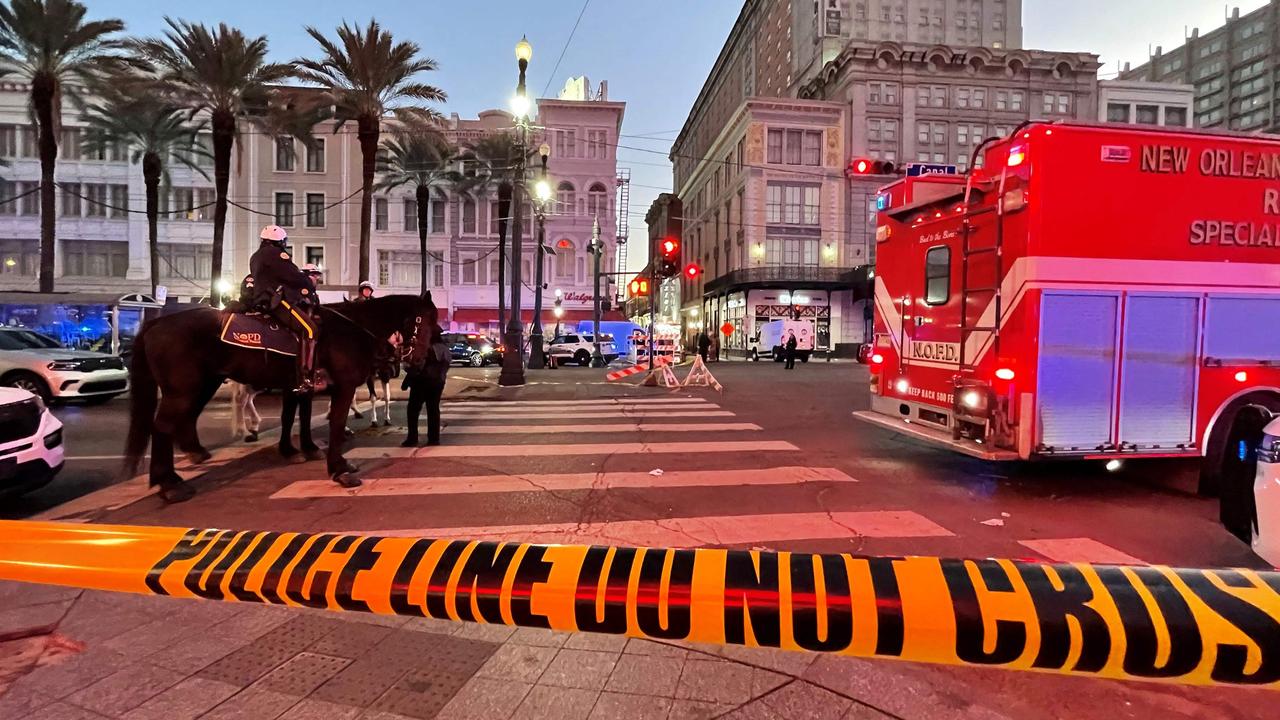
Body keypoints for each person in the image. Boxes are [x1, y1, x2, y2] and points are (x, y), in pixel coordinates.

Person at [249, 224, 320, 393]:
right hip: (275, 301)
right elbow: (292, 274)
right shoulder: (276, 254)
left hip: (260, 300)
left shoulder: (256, 256)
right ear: (280, 242)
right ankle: (305, 376)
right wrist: (307, 282)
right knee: (310, 329)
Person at [403, 323, 449, 447]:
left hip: (421, 382)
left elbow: (416, 364)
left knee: (413, 410)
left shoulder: (425, 348)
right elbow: (447, 365)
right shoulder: (444, 348)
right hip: (438, 382)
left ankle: (412, 438)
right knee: (433, 410)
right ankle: (434, 438)